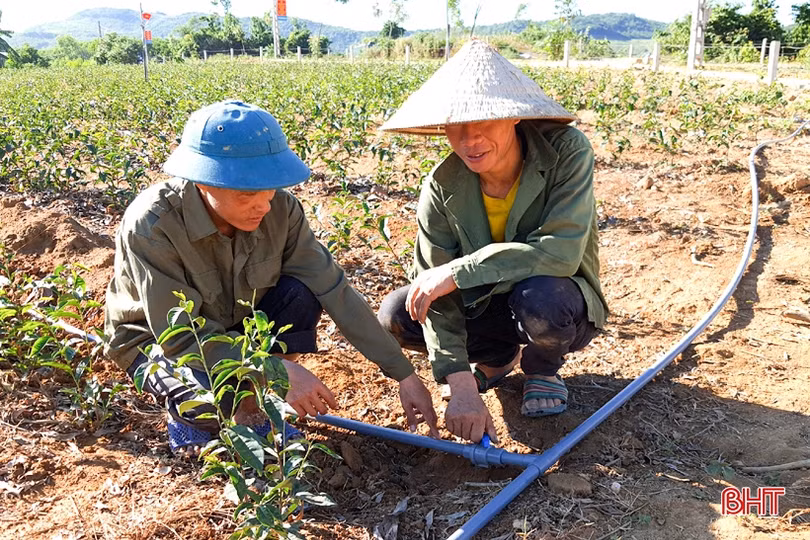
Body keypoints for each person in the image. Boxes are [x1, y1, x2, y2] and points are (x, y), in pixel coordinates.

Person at [104, 100, 438, 454]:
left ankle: (254, 400)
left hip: (238, 325)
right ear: (204, 183)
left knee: (301, 294)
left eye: (270, 188)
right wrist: (274, 369)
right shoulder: (154, 224)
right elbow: (181, 336)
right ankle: (204, 416)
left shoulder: (281, 209)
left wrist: (403, 373)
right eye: (248, 194)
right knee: (203, 404)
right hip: (157, 341)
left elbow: (334, 290)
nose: (264, 205)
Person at [377, 40, 608, 444]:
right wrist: (461, 382)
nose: (470, 140)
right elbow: (435, 288)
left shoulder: (566, 153)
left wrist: (456, 271)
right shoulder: (443, 184)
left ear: (515, 117)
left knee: (541, 301)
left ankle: (542, 367)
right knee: (400, 312)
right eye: (456, 125)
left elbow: (560, 253)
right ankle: (497, 358)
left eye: (484, 122)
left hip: (554, 297)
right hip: (484, 303)